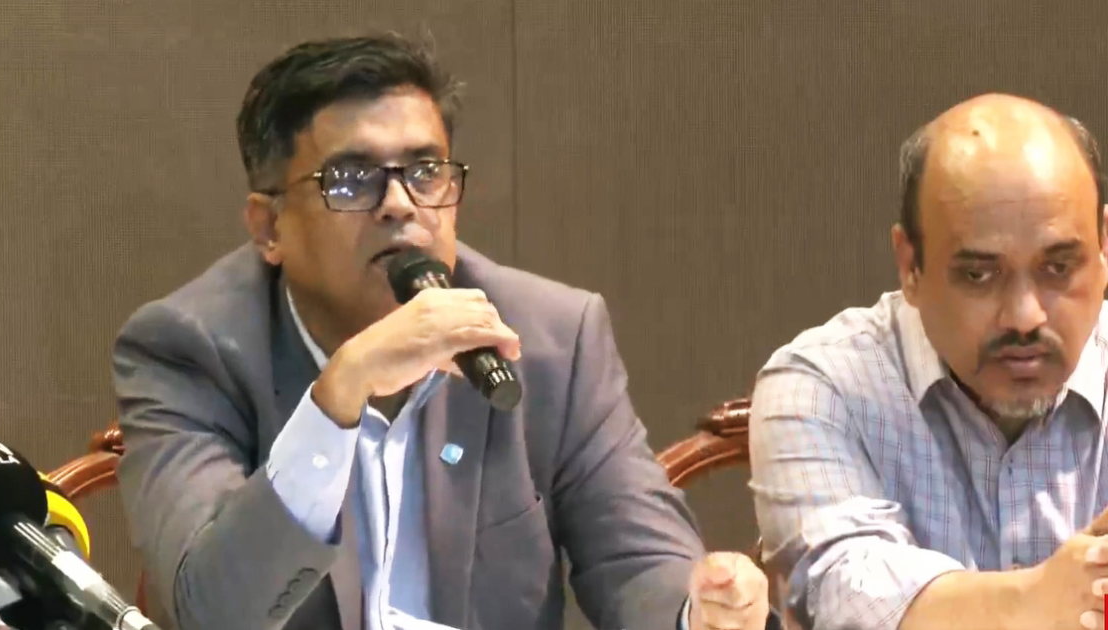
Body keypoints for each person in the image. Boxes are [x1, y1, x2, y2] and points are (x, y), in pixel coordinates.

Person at [112, 34, 771, 630]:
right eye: (352, 179)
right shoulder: (189, 349)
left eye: (426, 172)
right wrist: (339, 396)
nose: (400, 203)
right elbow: (215, 610)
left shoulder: (550, 338)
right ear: (269, 227)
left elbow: (637, 557)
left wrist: (697, 611)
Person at [749, 93, 1108, 630]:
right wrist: (1039, 598)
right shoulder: (820, 387)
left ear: (1104, 248)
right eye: (979, 275)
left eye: (1058, 267)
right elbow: (841, 593)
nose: (1025, 316)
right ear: (909, 266)